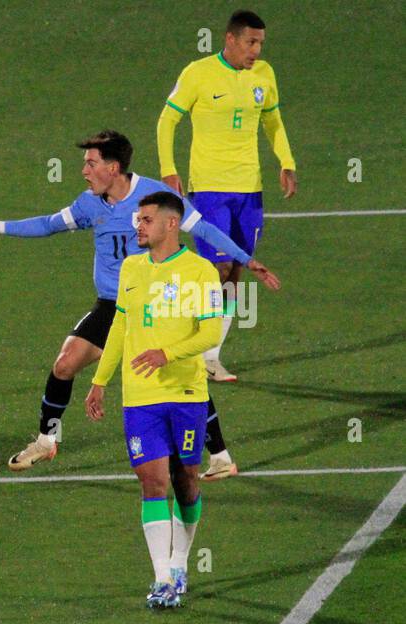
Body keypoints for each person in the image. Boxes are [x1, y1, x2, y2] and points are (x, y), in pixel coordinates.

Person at [0, 130, 277, 481]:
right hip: (111, 305)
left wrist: (247, 259)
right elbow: (48, 225)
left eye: (91, 164)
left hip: (155, 308)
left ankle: (220, 457)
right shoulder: (89, 204)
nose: (84, 171)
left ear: (114, 167)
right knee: (64, 365)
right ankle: (47, 441)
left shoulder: (157, 198)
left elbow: (205, 230)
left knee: (180, 379)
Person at [84, 192, 223, 608]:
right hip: (141, 396)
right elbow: (120, 328)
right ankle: (162, 578)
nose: (137, 227)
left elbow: (211, 332)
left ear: (170, 224)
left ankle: (181, 561)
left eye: (145, 220)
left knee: (186, 482)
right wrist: (99, 380)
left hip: (185, 392)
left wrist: (167, 353)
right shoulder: (131, 268)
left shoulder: (201, 271)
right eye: (137, 220)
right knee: (152, 481)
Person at [157, 9, 296, 382]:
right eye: (251, 42)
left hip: (249, 189)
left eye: (261, 44)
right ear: (230, 40)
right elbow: (167, 120)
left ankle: (211, 355)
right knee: (215, 269)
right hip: (209, 188)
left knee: (236, 269)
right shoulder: (198, 73)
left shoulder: (264, 75)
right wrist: (168, 169)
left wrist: (286, 160)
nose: (256, 50)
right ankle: (192, 347)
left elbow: (272, 120)